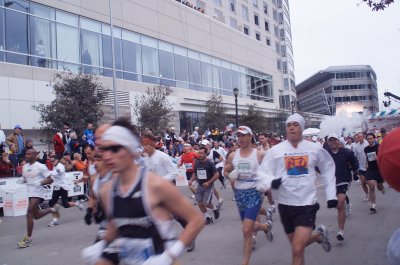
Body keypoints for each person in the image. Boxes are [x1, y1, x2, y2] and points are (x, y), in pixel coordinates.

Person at [82, 119, 204, 265]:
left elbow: (196, 219)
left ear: (130, 150)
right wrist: (101, 245)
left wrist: (169, 255)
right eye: (104, 150)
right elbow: (117, 225)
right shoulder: (106, 191)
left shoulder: (155, 185)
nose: (107, 156)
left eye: (114, 149)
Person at [257, 114, 337, 265]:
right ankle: (319, 236)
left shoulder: (314, 148)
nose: (292, 127)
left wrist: (331, 194)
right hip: (285, 205)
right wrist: (270, 182)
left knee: (297, 248)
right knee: (298, 248)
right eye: (289, 125)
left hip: (306, 204)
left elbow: (328, 167)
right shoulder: (276, 150)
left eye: (295, 124)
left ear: (302, 127)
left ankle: (318, 235)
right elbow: (262, 173)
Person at [224, 126, 272, 265]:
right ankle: (265, 227)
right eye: (238, 136)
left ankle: (245, 262)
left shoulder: (259, 154)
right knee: (248, 226)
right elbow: (225, 171)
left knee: (246, 230)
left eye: (244, 135)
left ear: (250, 136)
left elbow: (270, 171)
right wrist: (230, 175)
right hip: (239, 194)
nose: (241, 138)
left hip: (254, 192)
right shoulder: (233, 155)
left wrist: (265, 183)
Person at [16, 148, 59, 248]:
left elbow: (50, 180)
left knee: (29, 213)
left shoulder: (41, 166)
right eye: (26, 154)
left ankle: (28, 239)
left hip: (38, 192)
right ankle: (52, 209)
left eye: (29, 154)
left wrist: (40, 182)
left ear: (35, 155)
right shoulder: (25, 167)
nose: (27, 155)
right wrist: (22, 180)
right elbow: (25, 178)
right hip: (29, 192)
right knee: (36, 215)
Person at [326, 133, 359, 241]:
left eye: (334, 140)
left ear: (338, 141)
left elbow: (355, 162)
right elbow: (318, 165)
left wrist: (355, 173)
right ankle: (347, 204)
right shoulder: (326, 154)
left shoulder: (346, 152)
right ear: (328, 142)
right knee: (337, 205)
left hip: (343, 180)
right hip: (331, 182)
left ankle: (341, 231)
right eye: (330, 140)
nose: (332, 142)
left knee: (340, 203)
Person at [48, 152, 83, 227]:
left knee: (65, 205)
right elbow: (53, 175)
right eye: (50, 161)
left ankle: (77, 203)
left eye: (53, 161)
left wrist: (45, 172)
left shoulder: (60, 167)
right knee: (51, 203)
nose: (52, 162)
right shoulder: (54, 166)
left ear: (57, 160)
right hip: (57, 187)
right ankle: (55, 220)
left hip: (63, 187)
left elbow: (54, 173)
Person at [189, 146, 221, 225]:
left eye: (201, 153)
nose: (199, 154)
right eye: (199, 153)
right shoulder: (197, 162)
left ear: (205, 154)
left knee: (206, 203)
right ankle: (208, 217)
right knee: (200, 203)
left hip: (208, 187)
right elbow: (195, 173)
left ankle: (215, 209)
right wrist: (191, 180)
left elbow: (217, 174)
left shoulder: (209, 163)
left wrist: (209, 182)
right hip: (200, 186)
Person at [364, 133, 384, 213]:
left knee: (379, 186)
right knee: (371, 186)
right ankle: (373, 205)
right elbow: (367, 158)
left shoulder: (379, 147)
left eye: (371, 138)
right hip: (371, 169)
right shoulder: (366, 149)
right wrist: (366, 163)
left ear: (374, 138)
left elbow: (384, 157)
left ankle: (381, 187)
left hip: (379, 169)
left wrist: (378, 158)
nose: (369, 140)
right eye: (368, 139)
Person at [352, 132, 370, 201]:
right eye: (358, 137)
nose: (360, 138)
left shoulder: (367, 143)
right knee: (363, 182)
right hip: (361, 166)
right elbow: (355, 157)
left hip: (368, 166)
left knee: (368, 181)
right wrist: (355, 167)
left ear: (363, 137)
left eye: (361, 137)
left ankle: (371, 191)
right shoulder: (356, 146)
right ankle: (367, 194)